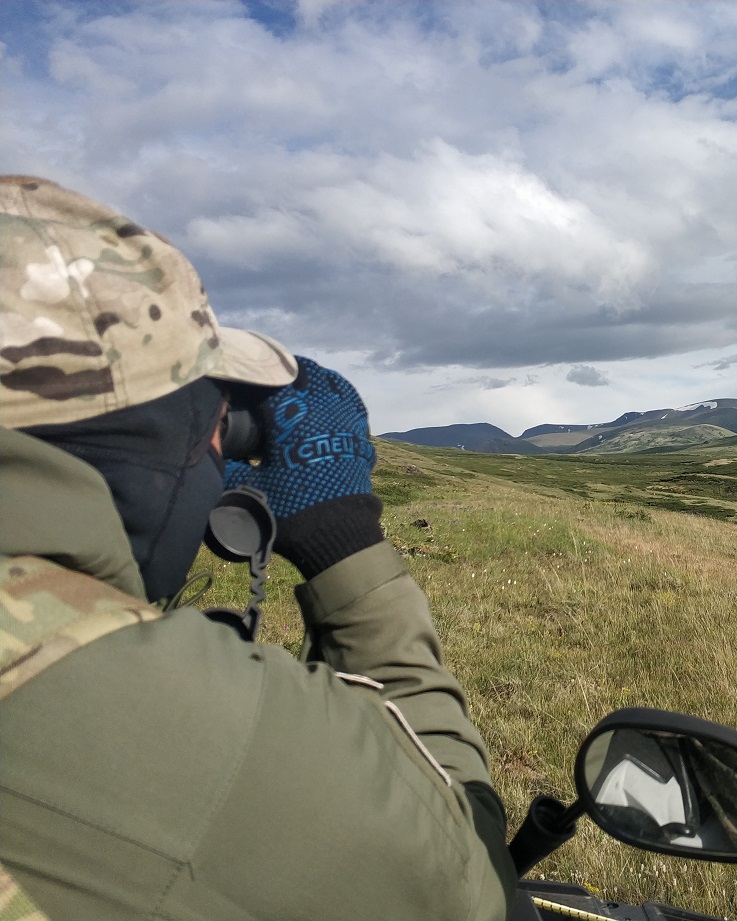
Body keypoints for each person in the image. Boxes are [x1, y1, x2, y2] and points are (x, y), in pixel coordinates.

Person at [0, 176, 516, 919]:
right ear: (144, 437)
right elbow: (463, 877)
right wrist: (343, 537)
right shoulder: (182, 730)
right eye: (211, 419)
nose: (221, 448)